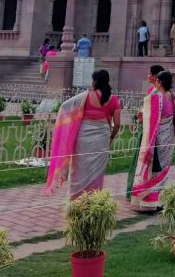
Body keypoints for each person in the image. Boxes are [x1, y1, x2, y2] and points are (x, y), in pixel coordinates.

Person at [47, 69, 122, 198]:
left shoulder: (85, 97)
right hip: (102, 139)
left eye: (93, 80)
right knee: (97, 172)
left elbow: (65, 106)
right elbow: (118, 124)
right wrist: (111, 137)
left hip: (83, 139)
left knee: (79, 168)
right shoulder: (114, 100)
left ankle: (76, 199)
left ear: (96, 81)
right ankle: (94, 199)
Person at [127, 70, 175, 212]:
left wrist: (141, 117)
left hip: (157, 137)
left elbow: (150, 119)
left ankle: (150, 203)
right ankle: (162, 201)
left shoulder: (157, 98)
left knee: (153, 169)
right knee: (163, 170)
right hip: (168, 135)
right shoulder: (171, 96)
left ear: (159, 82)